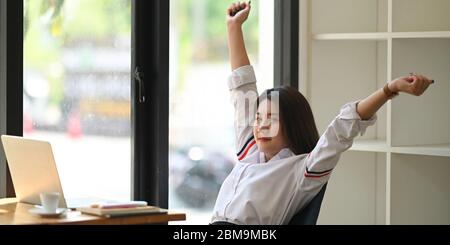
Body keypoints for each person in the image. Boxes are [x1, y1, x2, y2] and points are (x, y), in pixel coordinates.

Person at [210, 1, 433, 225]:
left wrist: (389, 89)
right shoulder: (249, 150)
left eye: (272, 119)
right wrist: (234, 27)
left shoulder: (300, 171)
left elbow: (341, 130)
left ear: (293, 124)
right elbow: (243, 89)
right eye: (258, 119)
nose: (261, 126)